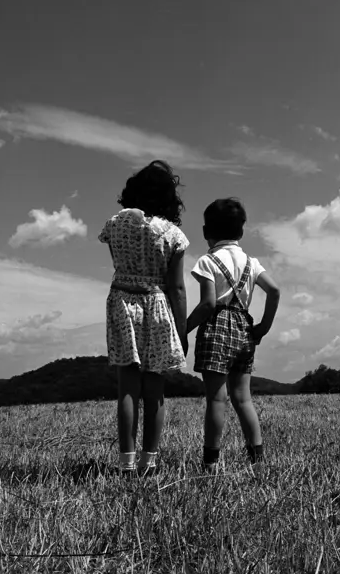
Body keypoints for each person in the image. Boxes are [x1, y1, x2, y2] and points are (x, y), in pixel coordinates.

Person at [98, 160, 189, 475]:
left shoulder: (114, 224)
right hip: (157, 305)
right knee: (155, 392)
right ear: (168, 197)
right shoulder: (173, 234)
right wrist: (182, 331)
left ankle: (125, 463)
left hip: (122, 301)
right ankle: (148, 464)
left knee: (127, 388)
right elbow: (176, 287)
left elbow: (118, 262)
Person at [187, 197, 280, 473]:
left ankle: (211, 463)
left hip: (216, 327)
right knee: (243, 398)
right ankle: (257, 459)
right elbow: (274, 291)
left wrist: (184, 329)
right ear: (241, 232)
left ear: (206, 232)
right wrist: (263, 327)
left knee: (217, 398)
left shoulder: (207, 261)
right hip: (244, 327)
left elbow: (207, 304)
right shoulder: (251, 262)